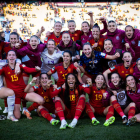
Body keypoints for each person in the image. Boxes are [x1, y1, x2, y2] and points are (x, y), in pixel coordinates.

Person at [0, 50, 44, 120]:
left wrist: (35, 69)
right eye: (10, 55)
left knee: (41, 100)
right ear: (7, 57)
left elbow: (28, 69)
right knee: (17, 116)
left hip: (24, 91)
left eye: (13, 55)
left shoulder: (20, 65)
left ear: (16, 57)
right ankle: (15, 109)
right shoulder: (4, 68)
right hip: (15, 95)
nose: (11, 56)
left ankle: (27, 110)